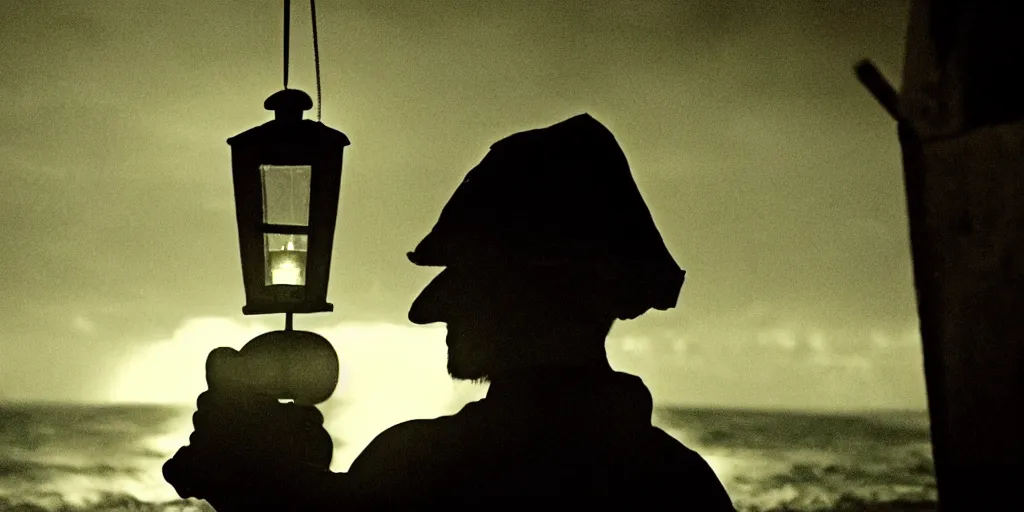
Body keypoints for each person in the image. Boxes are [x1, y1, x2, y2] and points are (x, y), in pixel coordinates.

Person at [164, 113, 736, 509]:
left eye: (466, 278)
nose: (429, 312)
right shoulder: (684, 485)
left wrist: (252, 477)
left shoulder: (424, 464)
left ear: (527, 289)